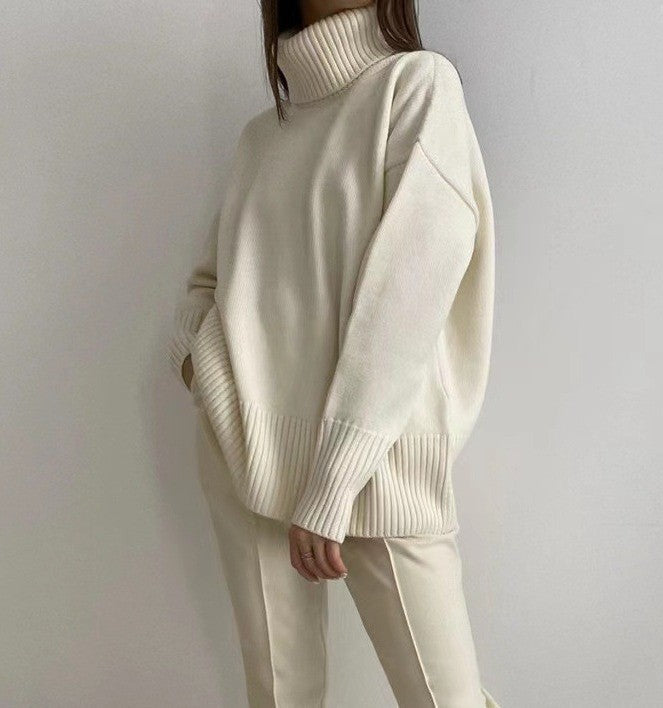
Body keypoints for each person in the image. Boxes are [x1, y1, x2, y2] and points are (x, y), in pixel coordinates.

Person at [168, 1, 498, 705]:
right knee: (279, 696)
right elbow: (207, 284)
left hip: (379, 463)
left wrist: (334, 478)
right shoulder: (263, 137)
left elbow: (409, 296)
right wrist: (207, 373)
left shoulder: (417, 85)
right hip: (244, 448)